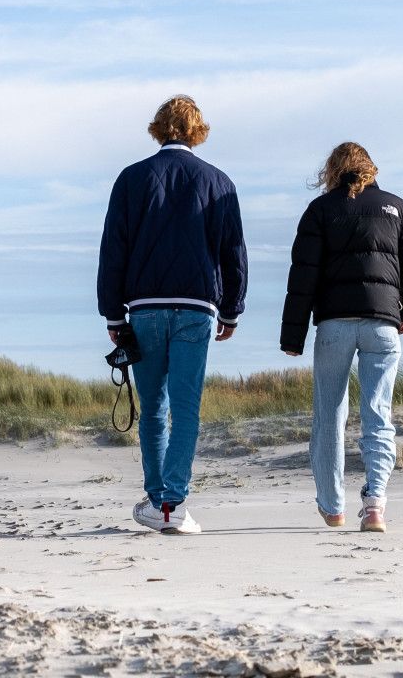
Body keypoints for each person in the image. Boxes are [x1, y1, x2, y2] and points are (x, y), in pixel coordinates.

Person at [98, 95, 247, 536]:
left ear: (159, 128)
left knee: (153, 409)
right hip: (196, 307)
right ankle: (173, 504)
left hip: (143, 308)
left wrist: (112, 313)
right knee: (185, 408)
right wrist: (232, 309)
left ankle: (159, 500)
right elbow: (234, 252)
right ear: (198, 130)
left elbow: (114, 249)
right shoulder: (219, 182)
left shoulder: (131, 178)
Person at [279, 142, 403, 533]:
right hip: (382, 323)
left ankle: (333, 507)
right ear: (371, 169)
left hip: (334, 325)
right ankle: (375, 504)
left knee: (329, 415)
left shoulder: (321, 210)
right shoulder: (398, 208)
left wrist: (293, 335)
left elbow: (303, 276)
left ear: (332, 170)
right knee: (379, 414)